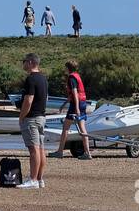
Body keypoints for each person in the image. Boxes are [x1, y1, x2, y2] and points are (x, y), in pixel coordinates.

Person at [16, 53, 48, 188]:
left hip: (31, 119)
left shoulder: (31, 79)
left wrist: (21, 116)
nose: (23, 64)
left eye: (24, 62)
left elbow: (28, 100)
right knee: (40, 149)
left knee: (33, 150)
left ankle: (33, 180)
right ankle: (39, 179)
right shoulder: (43, 79)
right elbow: (45, 99)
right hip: (41, 117)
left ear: (30, 62)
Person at [52, 60, 94, 159]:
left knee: (65, 128)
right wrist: (64, 104)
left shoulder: (71, 78)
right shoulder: (77, 76)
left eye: (65, 68)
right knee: (83, 130)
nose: (64, 69)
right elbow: (74, 94)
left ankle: (59, 152)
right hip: (83, 103)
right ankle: (87, 153)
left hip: (76, 105)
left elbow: (75, 93)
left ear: (68, 68)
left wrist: (76, 108)